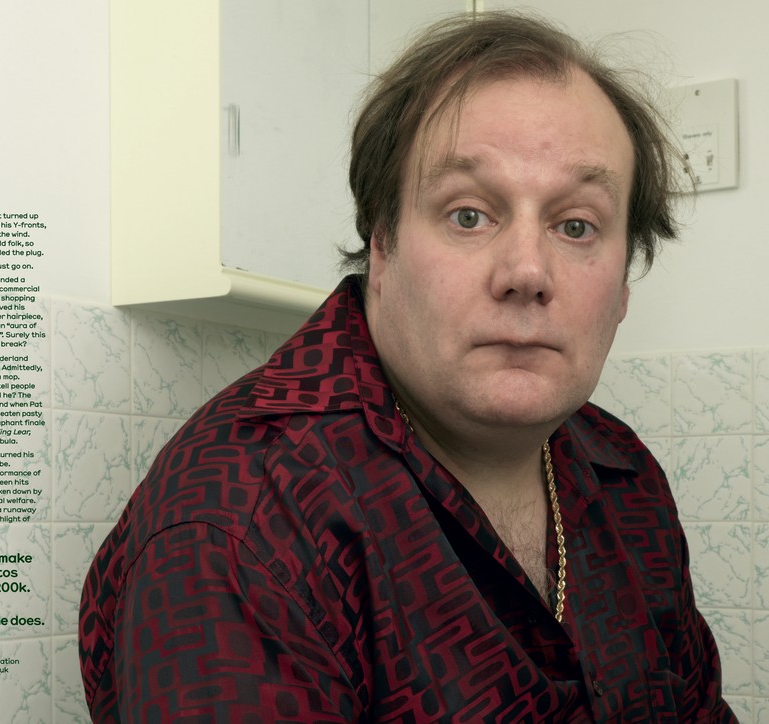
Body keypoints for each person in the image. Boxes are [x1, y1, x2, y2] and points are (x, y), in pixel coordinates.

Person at [80, 11, 737, 722]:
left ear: (624, 285)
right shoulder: (242, 524)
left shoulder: (626, 475)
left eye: (576, 225)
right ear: (383, 247)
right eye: (468, 215)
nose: (527, 272)